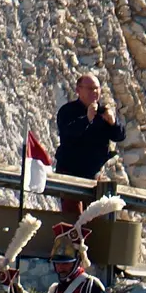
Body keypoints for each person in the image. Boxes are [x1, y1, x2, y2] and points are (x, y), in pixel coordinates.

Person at [53, 74, 125, 218]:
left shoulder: (103, 113)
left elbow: (119, 136)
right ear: (78, 90)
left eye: (97, 89)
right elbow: (68, 133)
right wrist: (87, 119)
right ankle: (72, 240)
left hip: (94, 175)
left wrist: (113, 123)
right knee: (74, 216)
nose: (95, 92)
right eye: (91, 89)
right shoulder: (67, 111)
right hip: (70, 173)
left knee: (96, 217)